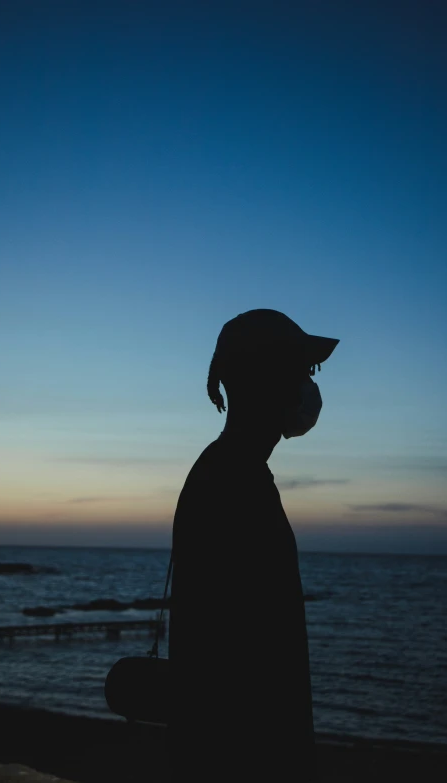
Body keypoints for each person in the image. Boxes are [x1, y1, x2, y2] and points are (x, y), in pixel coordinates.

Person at [167, 309, 339, 782]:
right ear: (266, 377)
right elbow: (240, 657)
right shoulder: (233, 480)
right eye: (300, 370)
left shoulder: (229, 469)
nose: (307, 384)